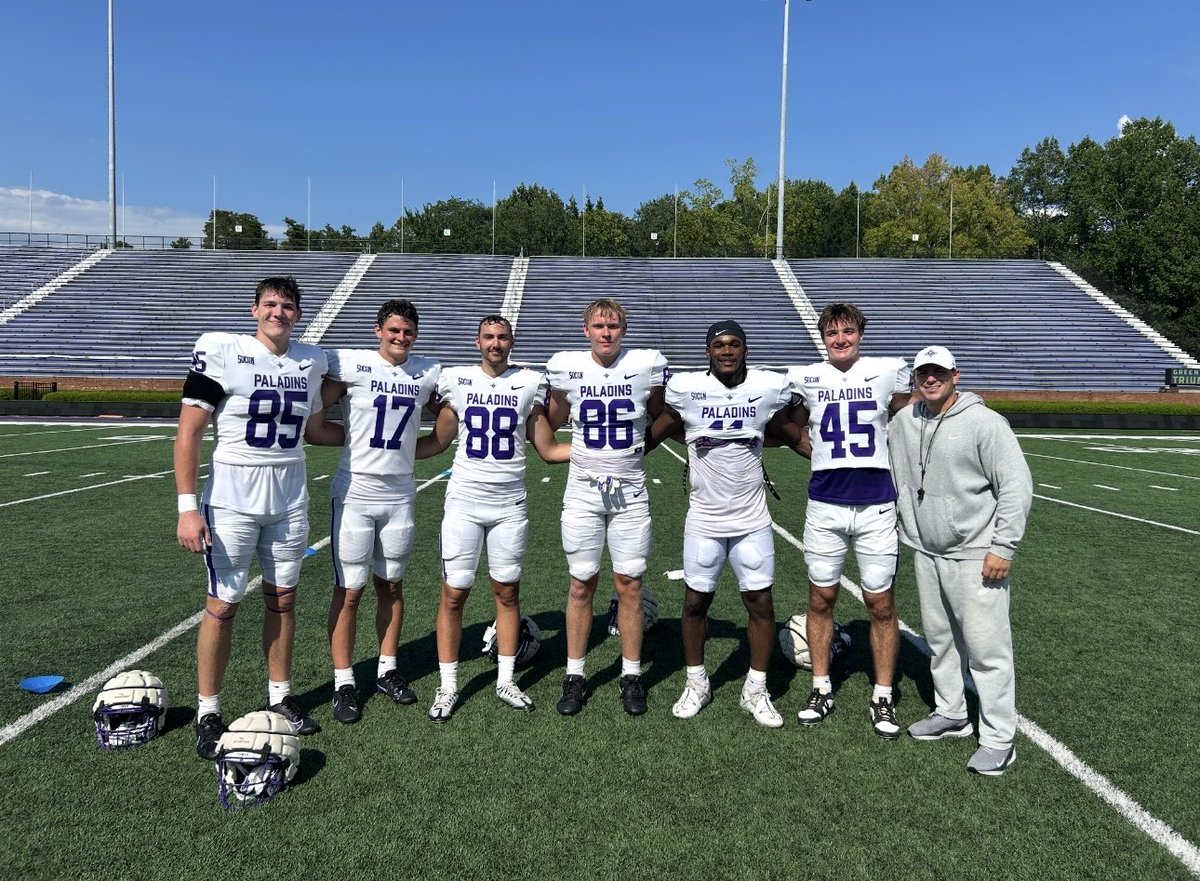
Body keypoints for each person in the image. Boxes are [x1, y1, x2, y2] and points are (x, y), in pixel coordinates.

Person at [175, 275, 337, 759]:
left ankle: (281, 697)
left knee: (283, 600)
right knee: (223, 604)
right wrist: (187, 509)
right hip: (232, 495)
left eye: (288, 306)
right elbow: (189, 433)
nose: (279, 313)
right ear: (254, 310)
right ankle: (208, 710)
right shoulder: (222, 349)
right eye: (271, 304)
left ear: (299, 314)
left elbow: (321, 416)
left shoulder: (312, 360)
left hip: (289, 493)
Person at [414, 315, 570, 722]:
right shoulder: (459, 380)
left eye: (502, 337)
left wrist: (601, 452)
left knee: (507, 593)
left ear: (512, 341)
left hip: (509, 505)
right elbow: (439, 439)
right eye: (488, 336)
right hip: (464, 502)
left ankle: (505, 679)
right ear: (477, 341)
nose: (495, 343)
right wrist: (385, 453)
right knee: (454, 594)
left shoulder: (530, 383)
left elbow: (548, 448)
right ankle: (448, 685)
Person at [889, 345, 1032, 775]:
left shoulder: (985, 423)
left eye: (938, 372)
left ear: (956, 375)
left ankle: (999, 739)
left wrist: (1002, 547)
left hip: (975, 553)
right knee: (940, 642)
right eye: (922, 373)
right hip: (927, 550)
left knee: (988, 651)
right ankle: (951, 712)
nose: (930, 379)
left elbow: (1016, 485)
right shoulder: (903, 422)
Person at [647, 320, 794, 727]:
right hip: (705, 518)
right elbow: (654, 431)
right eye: (719, 345)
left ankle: (756, 688)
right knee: (696, 602)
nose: (726, 351)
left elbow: (793, 425)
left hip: (752, 518)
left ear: (745, 349)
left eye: (734, 344)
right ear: (707, 352)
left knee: (760, 603)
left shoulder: (766, 388)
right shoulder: (689, 389)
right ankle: (696, 682)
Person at [787, 303, 911, 738]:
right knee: (821, 598)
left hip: (877, 502)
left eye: (848, 331)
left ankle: (882, 695)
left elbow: (914, 408)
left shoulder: (886, 371)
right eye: (832, 333)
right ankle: (821, 686)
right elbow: (790, 427)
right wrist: (819, 455)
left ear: (861, 333)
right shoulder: (808, 377)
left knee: (881, 604)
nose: (840, 339)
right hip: (825, 503)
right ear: (822, 337)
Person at [321, 299, 442, 725]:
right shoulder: (351, 364)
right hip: (355, 492)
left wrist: (418, 451)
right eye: (393, 330)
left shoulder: (426, 371)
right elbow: (314, 413)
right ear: (378, 330)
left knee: (391, 585)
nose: (400, 338)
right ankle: (344, 682)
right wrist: (351, 441)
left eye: (408, 331)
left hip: (400, 494)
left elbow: (444, 424)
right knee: (350, 590)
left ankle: (387, 670)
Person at [545, 298, 667, 716]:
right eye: (598, 325)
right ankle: (575, 674)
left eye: (613, 325)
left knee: (629, 584)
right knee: (581, 584)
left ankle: (630, 674)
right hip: (582, 490)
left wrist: (636, 450)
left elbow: (661, 416)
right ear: (586, 331)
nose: (606, 332)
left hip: (630, 490)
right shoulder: (567, 367)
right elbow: (554, 417)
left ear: (624, 329)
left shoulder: (646, 364)